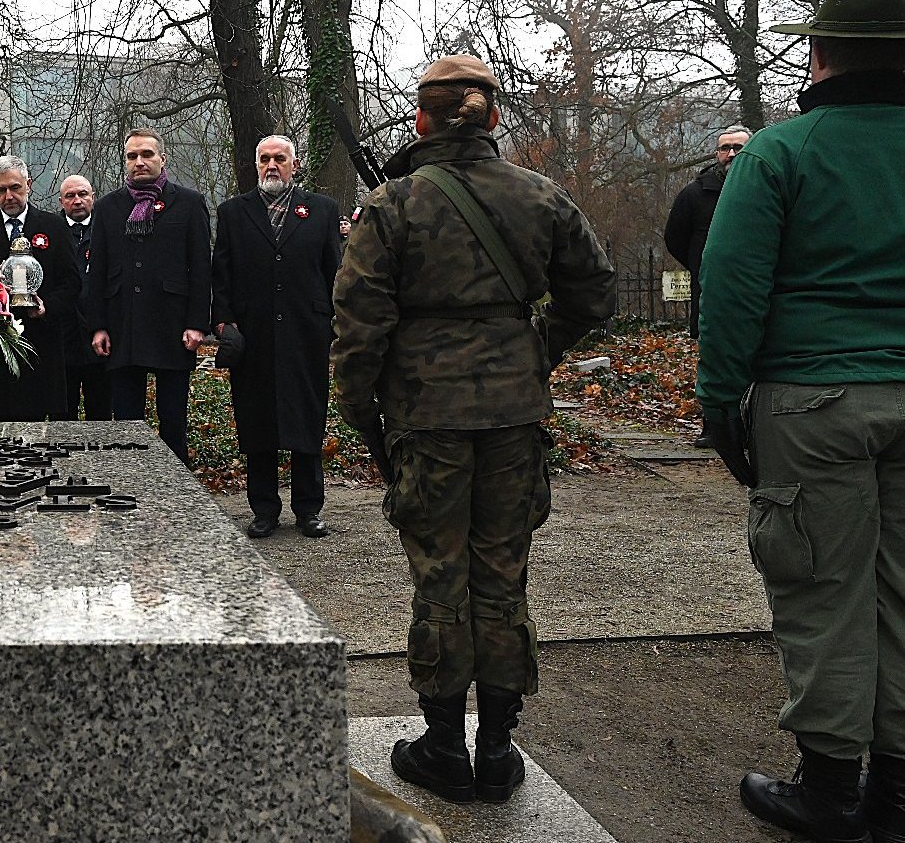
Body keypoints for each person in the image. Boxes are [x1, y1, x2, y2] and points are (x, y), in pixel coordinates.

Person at [332, 54, 614, 807]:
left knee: (439, 575)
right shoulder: (541, 196)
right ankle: (496, 746)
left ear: (420, 119)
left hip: (427, 420)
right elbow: (595, 289)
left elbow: (358, 331)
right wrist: (536, 351)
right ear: (492, 117)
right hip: (515, 418)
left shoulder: (392, 206)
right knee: (502, 574)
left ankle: (443, 746)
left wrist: (366, 418)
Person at [696, 0, 905, 843]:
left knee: (822, 590)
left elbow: (732, 286)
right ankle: (894, 799)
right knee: (902, 593)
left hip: (813, 403)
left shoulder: (782, 151)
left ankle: (826, 794)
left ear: (820, 55)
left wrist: (720, 406)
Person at [211, 135, 340, 539]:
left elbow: (333, 273)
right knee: (257, 421)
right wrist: (224, 323)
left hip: (306, 333)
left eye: (279, 159)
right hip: (254, 334)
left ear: (294, 164)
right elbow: (222, 275)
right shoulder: (233, 212)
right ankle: (264, 510)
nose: (271, 165)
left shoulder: (320, 210)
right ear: (256, 165)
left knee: (306, 419)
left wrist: (336, 325)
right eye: (264, 158)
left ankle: (308, 510)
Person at [81, 128, 211, 464]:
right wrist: (98, 326)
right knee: (126, 425)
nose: (139, 162)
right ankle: (132, 493)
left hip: (172, 326)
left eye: (147, 155)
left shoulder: (189, 202)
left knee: (173, 423)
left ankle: (179, 500)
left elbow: (200, 268)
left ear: (162, 159)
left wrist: (197, 323)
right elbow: (97, 270)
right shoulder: (109, 207)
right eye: (132, 156)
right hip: (123, 325)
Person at [0, 156, 82, 421]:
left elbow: (72, 282)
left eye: (15, 188)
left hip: (41, 345)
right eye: (0, 190)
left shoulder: (55, 226)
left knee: (36, 432)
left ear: (28, 185)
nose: (9, 196)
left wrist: (46, 306)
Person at [664, 128, 748, 340]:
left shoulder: (769, 188)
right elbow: (675, 239)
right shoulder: (694, 194)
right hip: (711, 296)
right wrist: (701, 264)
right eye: (725, 148)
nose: (731, 154)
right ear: (716, 154)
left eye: (738, 147)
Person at [58, 173, 111, 421]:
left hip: (99, 336)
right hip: (63, 337)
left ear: (93, 198)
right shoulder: (52, 231)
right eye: (70, 196)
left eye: (83, 194)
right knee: (63, 414)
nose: (77, 200)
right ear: (61, 201)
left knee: (99, 413)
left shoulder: (107, 230)